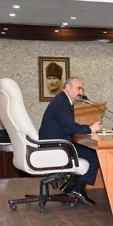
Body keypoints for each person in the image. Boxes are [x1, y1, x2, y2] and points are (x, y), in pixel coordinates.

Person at [38, 77, 101, 205]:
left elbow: (68, 125)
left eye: (82, 89)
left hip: (57, 144)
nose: (81, 92)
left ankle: (70, 186)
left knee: (89, 151)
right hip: (57, 147)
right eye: (79, 88)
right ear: (68, 87)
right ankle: (78, 187)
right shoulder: (62, 102)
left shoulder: (62, 100)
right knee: (95, 154)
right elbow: (70, 128)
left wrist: (87, 127)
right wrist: (90, 129)